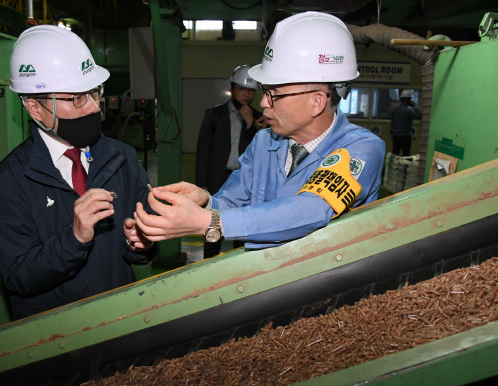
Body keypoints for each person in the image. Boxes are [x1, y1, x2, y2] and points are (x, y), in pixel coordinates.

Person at [133, 12, 385, 250]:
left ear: (316, 101)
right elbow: (233, 202)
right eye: (265, 92)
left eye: (274, 94)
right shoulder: (264, 141)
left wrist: (210, 222)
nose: (263, 103)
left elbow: (312, 208)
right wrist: (206, 203)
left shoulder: (360, 149)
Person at [0, 25, 157, 320]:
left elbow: (139, 245)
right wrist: (75, 238)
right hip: (55, 336)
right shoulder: (10, 180)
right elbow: (18, 277)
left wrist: (143, 243)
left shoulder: (121, 158)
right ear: (35, 108)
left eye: (93, 92)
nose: (94, 108)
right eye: (77, 98)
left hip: (122, 318)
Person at [195, 65, 266, 258]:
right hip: (217, 178)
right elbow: (202, 153)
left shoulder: (260, 119)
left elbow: (261, 151)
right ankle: (208, 264)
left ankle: (237, 266)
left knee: (241, 226)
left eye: (250, 91)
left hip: (243, 179)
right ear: (232, 88)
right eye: (242, 89)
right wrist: (202, 185)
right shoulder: (214, 115)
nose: (246, 94)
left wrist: (251, 124)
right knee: (212, 224)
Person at [390, 90, 422, 156]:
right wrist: (415, 106)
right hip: (405, 136)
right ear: (408, 100)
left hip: (395, 135)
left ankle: (392, 166)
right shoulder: (409, 111)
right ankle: (403, 166)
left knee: (395, 153)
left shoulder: (395, 111)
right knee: (405, 154)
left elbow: (392, 123)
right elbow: (419, 116)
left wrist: (392, 134)